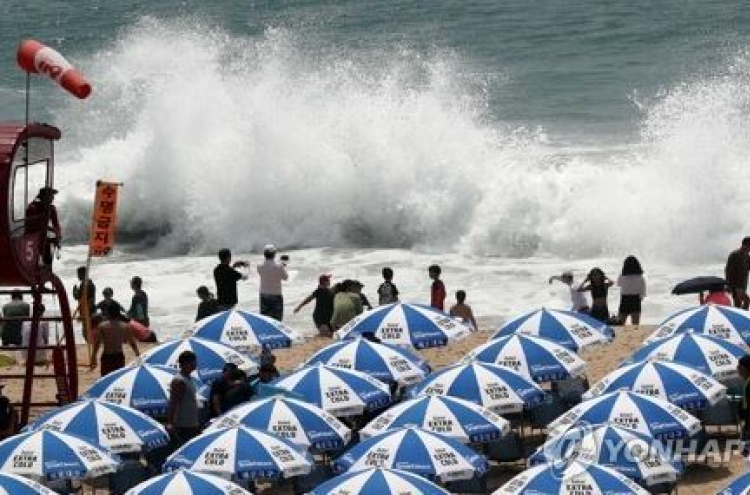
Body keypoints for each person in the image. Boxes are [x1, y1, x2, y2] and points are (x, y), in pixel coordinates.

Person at [90, 302, 140, 377]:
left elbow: (97, 343)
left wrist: (93, 357)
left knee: (106, 380)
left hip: (107, 357)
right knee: (117, 379)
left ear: (108, 312)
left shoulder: (102, 326)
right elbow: (132, 342)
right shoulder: (125, 326)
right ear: (118, 313)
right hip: (119, 357)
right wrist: (137, 354)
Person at [167, 351, 201, 448]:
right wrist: (170, 423)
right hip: (183, 426)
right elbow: (173, 403)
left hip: (191, 424)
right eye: (193, 362)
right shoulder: (179, 381)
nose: (195, 364)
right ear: (186, 363)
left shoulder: (188, 378)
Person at [24, 186, 61, 267]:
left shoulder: (51, 208)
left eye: (53, 196)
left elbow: (56, 225)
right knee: (33, 262)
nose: (53, 198)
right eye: (51, 196)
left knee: (48, 257)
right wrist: (49, 228)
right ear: (44, 197)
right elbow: (31, 223)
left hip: (42, 236)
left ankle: (47, 269)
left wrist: (58, 236)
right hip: (30, 237)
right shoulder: (32, 207)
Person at [256, 245, 288, 321]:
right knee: (277, 320)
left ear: (264, 254)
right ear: (274, 254)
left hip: (263, 294)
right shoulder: (279, 266)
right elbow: (285, 277)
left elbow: (267, 271)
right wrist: (282, 266)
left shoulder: (259, 266)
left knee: (265, 320)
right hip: (276, 294)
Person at [616, 256, 647, 325]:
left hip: (625, 299)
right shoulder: (640, 277)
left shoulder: (622, 275)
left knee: (620, 323)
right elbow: (643, 291)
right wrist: (639, 299)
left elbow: (618, 284)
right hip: (635, 299)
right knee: (635, 324)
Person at [127, 276, 157, 343]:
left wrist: (126, 316)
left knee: (141, 340)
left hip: (139, 321)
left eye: (131, 283)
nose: (130, 285)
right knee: (145, 338)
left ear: (134, 285)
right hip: (145, 319)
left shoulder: (136, 296)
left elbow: (133, 310)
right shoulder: (143, 293)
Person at [72, 266, 96, 341]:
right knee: (87, 331)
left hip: (87, 310)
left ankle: (91, 346)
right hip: (87, 309)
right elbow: (79, 297)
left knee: (87, 332)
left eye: (79, 274)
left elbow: (88, 299)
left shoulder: (86, 284)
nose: (78, 276)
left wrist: (74, 292)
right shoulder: (87, 283)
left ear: (83, 274)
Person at [726, 237, 750, 310]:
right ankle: (742, 318)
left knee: (738, 305)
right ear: (744, 245)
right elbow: (728, 271)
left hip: (743, 285)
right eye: (749, 246)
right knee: (746, 301)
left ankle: (739, 319)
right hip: (735, 286)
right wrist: (729, 286)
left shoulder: (747, 256)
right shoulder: (734, 255)